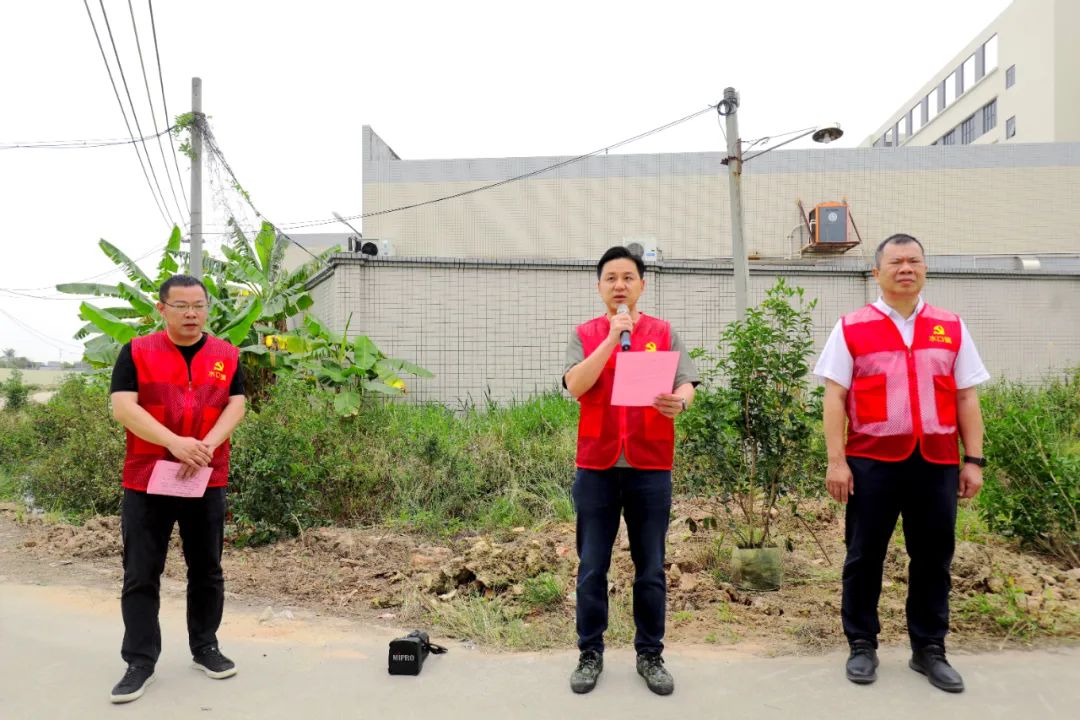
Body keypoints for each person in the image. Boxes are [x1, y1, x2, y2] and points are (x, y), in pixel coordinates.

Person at [814, 234, 989, 693]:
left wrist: (973, 460)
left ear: (925, 269)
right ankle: (861, 644)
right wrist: (836, 462)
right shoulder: (852, 327)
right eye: (896, 262)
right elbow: (835, 396)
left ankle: (929, 648)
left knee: (933, 558)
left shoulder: (950, 327)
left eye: (914, 261)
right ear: (877, 273)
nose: (906, 268)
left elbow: (967, 397)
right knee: (863, 556)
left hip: (935, 462)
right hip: (871, 463)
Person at [562, 246, 699, 696]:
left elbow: (686, 383)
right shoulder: (585, 334)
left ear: (642, 284)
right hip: (597, 467)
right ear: (599, 287)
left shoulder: (663, 332)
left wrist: (680, 401)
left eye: (627, 277)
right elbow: (575, 385)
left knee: (651, 567)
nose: (619, 285)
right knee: (591, 566)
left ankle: (650, 654)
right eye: (611, 278)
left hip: (649, 465)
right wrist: (610, 338)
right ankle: (590, 652)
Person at [108, 274, 247, 703]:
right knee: (141, 572)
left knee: (207, 569)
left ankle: (205, 647)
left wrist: (205, 446)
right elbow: (123, 407)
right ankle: (139, 661)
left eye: (199, 306)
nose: (191, 314)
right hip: (147, 478)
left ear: (207, 308)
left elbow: (236, 404)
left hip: (205, 476)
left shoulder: (226, 354)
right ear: (162, 309)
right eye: (181, 306)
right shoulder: (136, 351)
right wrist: (174, 443)